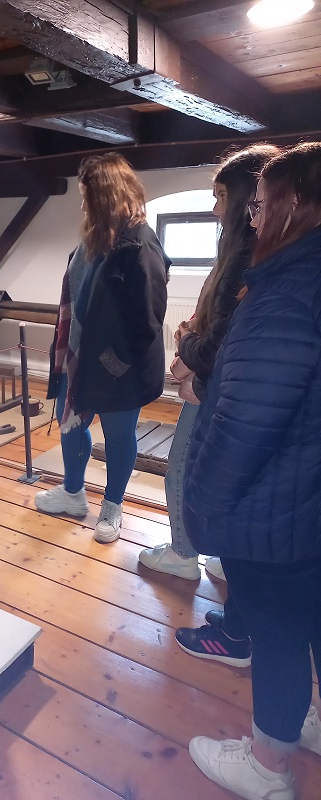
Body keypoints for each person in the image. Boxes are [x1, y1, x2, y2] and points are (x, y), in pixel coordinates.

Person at [183, 142, 321, 800]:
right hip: (308, 496)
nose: (253, 219)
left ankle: (267, 769)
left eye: (262, 206)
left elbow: (246, 422)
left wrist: (203, 506)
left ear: (295, 206)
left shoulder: (284, 292)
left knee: (278, 636)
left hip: (274, 508)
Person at [139, 145, 279, 582]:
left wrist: (188, 352)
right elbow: (216, 320)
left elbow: (222, 343)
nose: (216, 209)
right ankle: (220, 554)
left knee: (183, 465)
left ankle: (183, 552)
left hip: (219, 389)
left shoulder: (248, 254)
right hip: (224, 385)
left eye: (221, 197)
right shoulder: (249, 248)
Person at [34, 153, 169, 543]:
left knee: (118, 435)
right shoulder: (96, 238)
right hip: (82, 356)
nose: (82, 206)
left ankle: (113, 506)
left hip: (118, 367)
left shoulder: (139, 244)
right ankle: (73, 493)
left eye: (87, 198)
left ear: (106, 196)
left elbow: (147, 320)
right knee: (70, 423)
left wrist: (112, 364)